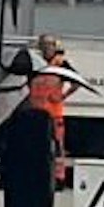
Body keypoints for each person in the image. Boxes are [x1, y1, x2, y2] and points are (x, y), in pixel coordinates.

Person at [27, 34, 81, 181]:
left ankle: (58, 177)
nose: (47, 48)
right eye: (44, 45)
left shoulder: (60, 64)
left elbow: (76, 82)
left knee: (57, 147)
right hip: (35, 112)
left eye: (49, 45)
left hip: (53, 113)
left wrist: (62, 96)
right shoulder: (34, 64)